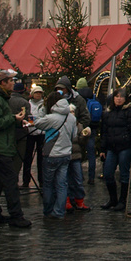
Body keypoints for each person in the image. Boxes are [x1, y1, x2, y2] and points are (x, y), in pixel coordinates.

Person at [0, 69, 31, 228]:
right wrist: (12, 118)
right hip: (0, 147)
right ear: (3, 83)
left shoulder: (0, 98)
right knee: (10, 182)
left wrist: (16, 121)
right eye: (10, 81)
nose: (13, 83)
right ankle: (16, 216)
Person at [34, 90, 78, 219]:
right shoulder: (72, 118)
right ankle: (59, 211)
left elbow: (37, 123)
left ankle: (48, 210)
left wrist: (43, 109)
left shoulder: (51, 118)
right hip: (65, 154)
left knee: (48, 184)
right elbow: (74, 135)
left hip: (52, 154)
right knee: (62, 184)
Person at [99, 87, 131, 211]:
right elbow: (104, 132)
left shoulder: (129, 112)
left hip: (125, 147)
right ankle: (113, 199)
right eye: (117, 97)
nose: (119, 99)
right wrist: (102, 148)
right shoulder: (108, 113)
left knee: (124, 175)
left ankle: (122, 201)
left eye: (121, 97)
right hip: (111, 147)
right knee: (108, 173)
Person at [55, 76, 91, 210]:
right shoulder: (55, 99)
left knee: (77, 175)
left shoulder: (78, 100)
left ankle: (79, 199)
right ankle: (67, 200)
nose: (60, 91)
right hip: (61, 145)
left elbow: (86, 117)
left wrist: (78, 128)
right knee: (64, 177)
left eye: (62, 89)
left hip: (75, 144)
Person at [76, 77, 100, 185]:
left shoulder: (77, 97)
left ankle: (79, 177)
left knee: (78, 154)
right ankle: (91, 177)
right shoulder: (93, 95)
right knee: (91, 154)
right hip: (93, 128)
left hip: (81, 128)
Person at [23, 84, 47, 188]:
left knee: (41, 158)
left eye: (40, 93)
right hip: (31, 132)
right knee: (28, 157)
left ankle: (41, 180)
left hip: (41, 133)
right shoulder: (28, 104)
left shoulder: (45, 104)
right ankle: (26, 180)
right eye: (36, 93)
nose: (38, 95)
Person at [9, 81, 30, 183]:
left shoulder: (7, 100)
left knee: (9, 158)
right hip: (21, 133)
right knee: (18, 159)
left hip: (8, 132)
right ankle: (14, 180)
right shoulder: (25, 102)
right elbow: (27, 118)